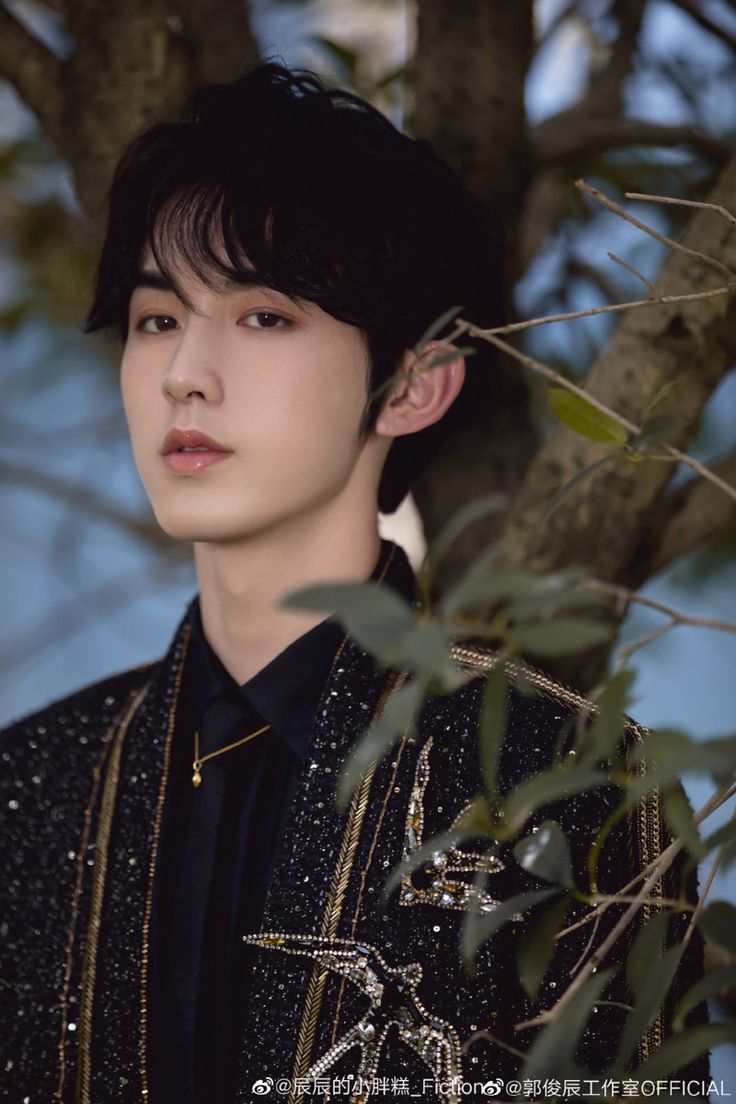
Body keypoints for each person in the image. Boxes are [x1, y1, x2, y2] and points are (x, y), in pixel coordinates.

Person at [0, 64, 708, 1104]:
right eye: (158, 319)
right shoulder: (30, 790)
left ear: (414, 384)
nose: (184, 373)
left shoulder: (578, 790)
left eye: (264, 317)